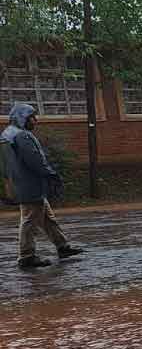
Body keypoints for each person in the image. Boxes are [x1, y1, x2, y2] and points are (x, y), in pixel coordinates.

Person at [2, 103, 83, 269]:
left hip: (21, 182)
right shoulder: (22, 136)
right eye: (31, 117)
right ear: (22, 117)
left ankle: (62, 246)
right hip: (30, 184)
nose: (35, 120)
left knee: (47, 218)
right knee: (30, 220)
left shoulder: (7, 134)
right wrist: (50, 173)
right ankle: (26, 256)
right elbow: (35, 160)